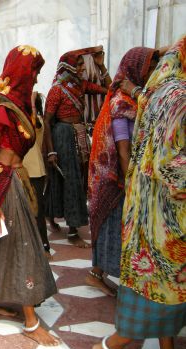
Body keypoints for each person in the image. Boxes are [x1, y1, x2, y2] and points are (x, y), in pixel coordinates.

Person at [93, 37, 185, 349]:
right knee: (161, 285)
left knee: (161, 284)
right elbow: (168, 160)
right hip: (165, 210)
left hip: (147, 205)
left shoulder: (159, 93)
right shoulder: (177, 96)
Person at [0, 45, 58, 346]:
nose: (36, 77)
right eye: (33, 70)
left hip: (15, 180)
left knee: (3, 242)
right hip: (4, 184)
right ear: (21, 70)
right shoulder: (0, 106)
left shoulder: (19, 103)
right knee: (23, 245)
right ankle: (31, 322)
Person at [87, 47, 159, 297]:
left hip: (121, 176)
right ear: (137, 69)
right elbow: (123, 149)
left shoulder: (133, 99)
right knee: (114, 227)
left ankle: (99, 272)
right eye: (149, 68)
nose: (153, 72)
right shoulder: (121, 102)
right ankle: (104, 275)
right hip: (116, 177)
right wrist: (132, 183)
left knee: (111, 227)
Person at [44, 48, 108, 247]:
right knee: (69, 179)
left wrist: (101, 65)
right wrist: (52, 151)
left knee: (78, 179)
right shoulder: (57, 90)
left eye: (82, 64)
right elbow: (47, 121)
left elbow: (110, 89)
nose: (82, 68)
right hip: (62, 135)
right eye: (79, 65)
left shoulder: (80, 86)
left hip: (79, 135)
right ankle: (72, 231)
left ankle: (55, 217)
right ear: (69, 67)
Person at [23, 91, 51, 258]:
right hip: (22, 170)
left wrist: (31, 100)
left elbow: (32, 122)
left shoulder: (38, 122)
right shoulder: (22, 122)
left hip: (35, 171)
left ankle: (44, 245)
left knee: (38, 211)